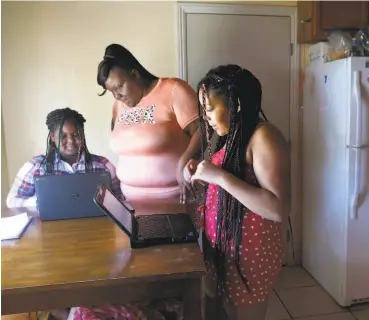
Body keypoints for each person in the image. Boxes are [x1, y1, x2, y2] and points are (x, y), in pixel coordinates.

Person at [184, 65, 291, 320]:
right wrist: (202, 175)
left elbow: (278, 209)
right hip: (223, 246)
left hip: (251, 252)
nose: (205, 117)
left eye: (209, 109)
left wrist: (218, 176)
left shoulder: (264, 136)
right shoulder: (231, 135)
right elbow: (233, 185)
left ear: (237, 105)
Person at [97, 44, 201, 205]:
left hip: (176, 201)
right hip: (130, 204)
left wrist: (184, 161)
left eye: (119, 87)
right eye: (111, 91)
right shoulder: (118, 106)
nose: (117, 96)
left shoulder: (173, 89)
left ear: (135, 74)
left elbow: (203, 130)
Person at [6, 108, 123, 209]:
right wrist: (41, 202)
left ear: (82, 134)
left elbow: (121, 200)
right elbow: (12, 201)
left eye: (76, 134)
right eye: (63, 136)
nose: (71, 141)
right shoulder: (35, 166)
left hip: (95, 228)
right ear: (52, 137)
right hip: (50, 230)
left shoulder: (103, 165)